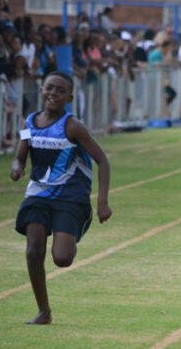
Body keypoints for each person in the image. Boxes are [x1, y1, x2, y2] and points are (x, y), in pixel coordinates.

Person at [10, 71, 112, 325]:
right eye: (49, 88)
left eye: (60, 90)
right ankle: (43, 312)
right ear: (41, 91)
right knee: (34, 250)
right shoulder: (29, 123)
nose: (53, 93)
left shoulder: (73, 126)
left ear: (69, 98)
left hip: (71, 197)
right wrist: (17, 167)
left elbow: (102, 160)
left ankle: (70, 232)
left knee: (62, 258)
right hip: (38, 193)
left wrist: (102, 202)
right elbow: (20, 155)